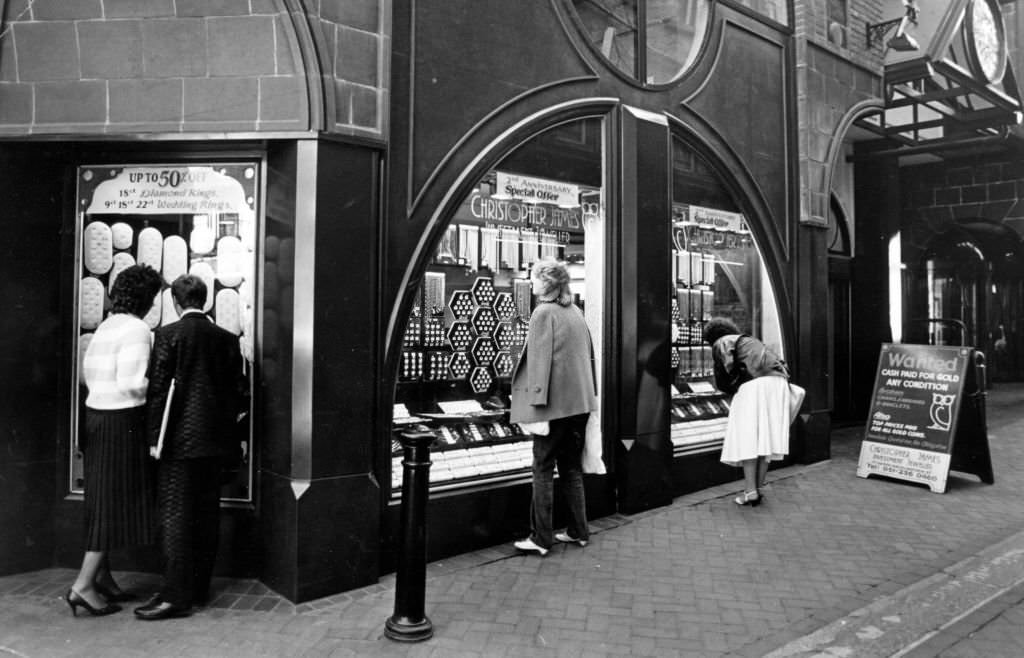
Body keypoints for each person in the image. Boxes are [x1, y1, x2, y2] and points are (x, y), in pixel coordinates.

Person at [134, 274, 246, 620]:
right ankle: (198, 590)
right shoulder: (226, 339)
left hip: (177, 444)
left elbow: (157, 393)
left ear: (175, 302)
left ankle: (175, 596)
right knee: (206, 517)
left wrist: (152, 440)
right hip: (215, 445)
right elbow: (238, 391)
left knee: (175, 518)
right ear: (206, 300)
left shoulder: (167, 335)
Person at [69, 264, 163, 617]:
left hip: (96, 418)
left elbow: (88, 377)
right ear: (146, 300)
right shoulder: (138, 329)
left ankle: (102, 579)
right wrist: (158, 385)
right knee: (112, 504)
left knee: (101, 500)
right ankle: (82, 585)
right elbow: (132, 384)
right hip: (122, 422)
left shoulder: (105, 327)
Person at [510, 259, 597, 556]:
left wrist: (534, 405)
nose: (531, 283)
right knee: (571, 468)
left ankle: (541, 538)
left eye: (534, 279)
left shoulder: (542, 313)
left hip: (554, 406)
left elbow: (539, 362)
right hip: (580, 404)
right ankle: (578, 531)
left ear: (546, 283)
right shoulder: (575, 312)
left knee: (542, 467)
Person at [703, 317, 793, 507]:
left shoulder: (722, 343)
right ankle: (756, 490)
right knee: (765, 439)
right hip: (779, 383)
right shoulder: (748, 340)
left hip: (754, 385)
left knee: (748, 437)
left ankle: (750, 492)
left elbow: (724, 379)